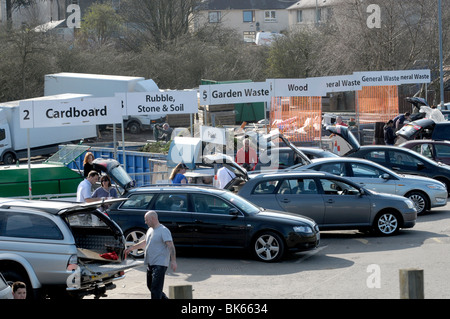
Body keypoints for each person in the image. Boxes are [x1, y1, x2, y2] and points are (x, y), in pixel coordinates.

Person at [124, 211, 177, 299]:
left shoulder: (163, 230)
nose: (145, 222)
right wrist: (132, 248)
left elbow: (171, 246)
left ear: (153, 218)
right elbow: (145, 242)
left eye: (146, 220)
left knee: (155, 289)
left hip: (160, 264)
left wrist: (173, 261)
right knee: (151, 286)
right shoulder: (150, 230)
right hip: (151, 263)